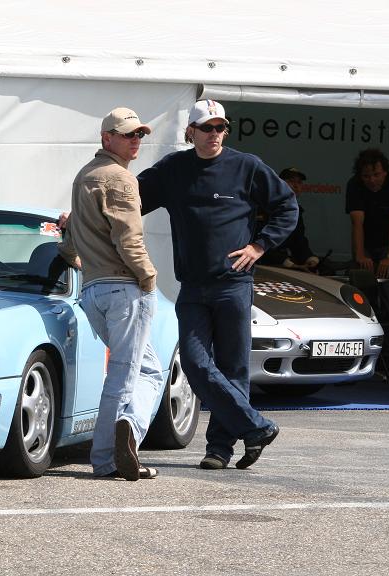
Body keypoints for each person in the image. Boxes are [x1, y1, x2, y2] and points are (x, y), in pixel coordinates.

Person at [138, 99, 298, 470]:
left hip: (234, 285)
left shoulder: (246, 166)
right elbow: (129, 200)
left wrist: (260, 245)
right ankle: (256, 427)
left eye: (221, 127)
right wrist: (82, 209)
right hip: (193, 286)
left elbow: (287, 207)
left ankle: (220, 449)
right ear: (189, 132)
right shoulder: (173, 170)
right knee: (194, 363)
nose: (215, 134)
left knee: (233, 369)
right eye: (207, 127)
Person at [58, 107, 163, 481]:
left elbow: (69, 242)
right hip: (124, 288)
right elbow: (128, 238)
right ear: (107, 138)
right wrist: (148, 278)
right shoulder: (120, 179)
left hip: (93, 291)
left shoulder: (83, 175)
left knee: (145, 368)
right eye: (127, 134)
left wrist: (78, 261)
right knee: (126, 374)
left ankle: (124, 439)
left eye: (139, 135)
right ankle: (110, 453)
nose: (135, 141)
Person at [345, 148, 389, 279]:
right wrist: (360, 255)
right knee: (362, 283)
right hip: (366, 241)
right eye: (366, 176)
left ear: (385, 172)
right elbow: (357, 223)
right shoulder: (354, 184)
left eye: (376, 174)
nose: (372, 180)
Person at [259, 167, 319, 271]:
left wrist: (310, 258)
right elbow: (260, 243)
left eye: (299, 182)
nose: (296, 186)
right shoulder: (264, 207)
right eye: (291, 181)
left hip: (285, 264)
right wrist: (288, 264)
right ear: (279, 184)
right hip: (262, 265)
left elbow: (299, 241)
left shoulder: (297, 211)